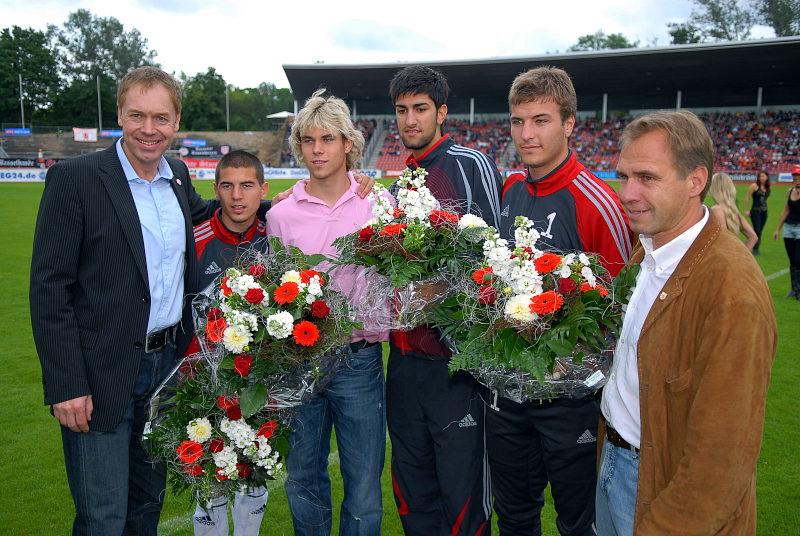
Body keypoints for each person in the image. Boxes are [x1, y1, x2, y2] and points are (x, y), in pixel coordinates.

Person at [30, 66, 224, 535]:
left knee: (145, 509)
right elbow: (49, 287)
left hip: (164, 373)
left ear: (176, 122)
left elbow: (219, 214)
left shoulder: (177, 175)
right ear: (120, 114)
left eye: (161, 117)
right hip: (98, 376)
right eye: (137, 115)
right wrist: (66, 383)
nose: (149, 129)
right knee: (102, 517)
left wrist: (299, 199)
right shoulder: (76, 178)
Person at [598, 110, 776, 535]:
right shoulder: (649, 248)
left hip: (663, 488)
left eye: (647, 177)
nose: (627, 193)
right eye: (624, 176)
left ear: (696, 181)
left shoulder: (732, 289)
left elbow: (723, 454)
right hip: (615, 463)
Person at [488, 66, 631, 536]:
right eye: (517, 121)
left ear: (569, 123)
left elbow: (624, 310)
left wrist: (570, 362)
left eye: (541, 120)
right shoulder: (511, 187)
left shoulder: (595, 202)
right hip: (508, 393)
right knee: (514, 517)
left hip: (572, 401)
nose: (526, 134)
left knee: (579, 522)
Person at [265, 89, 389, 536]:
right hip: (298, 361)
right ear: (299, 147)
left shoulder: (377, 204)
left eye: (328, 139)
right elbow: (274, 292)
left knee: (363, 486)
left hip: (359, 361)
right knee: (303, 479)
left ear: (348, 144)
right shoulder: (281, 214)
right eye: (309, 140)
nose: (318, 150)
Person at [386, 65, 502, 536]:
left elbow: (495, 256)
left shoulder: (467, 164)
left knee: (463, 498)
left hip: (456, 367)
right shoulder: (399, 185)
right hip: (403, 363)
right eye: (401, 110)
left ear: (442, 113)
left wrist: (437, 292)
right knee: (414, 495)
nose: (409, 120)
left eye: (420, 109)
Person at [189, 150, 270, 536]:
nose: (237, 196)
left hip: (262, 385)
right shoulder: (195, 239)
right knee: (208, 480)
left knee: (254, 473)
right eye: (227, 186)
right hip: (202, 383)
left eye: (247, 186)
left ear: (262, 190)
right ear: (215, 189)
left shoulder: (277, 238)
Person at [708, 172, 758, 251]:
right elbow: (753, 237)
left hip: (720, 261)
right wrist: (740, 257)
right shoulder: (733, 211)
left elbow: (723, 241)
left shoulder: (717, 210)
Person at [772, 164, 800, 299]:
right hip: (788, 229)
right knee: (792, 261)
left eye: (798, 176)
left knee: (798, 260)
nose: (796, 178)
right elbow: (786, 210)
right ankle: (793, 289)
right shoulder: (790, 191)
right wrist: (777, 228)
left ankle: (798, 289)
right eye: (794, 176)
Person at [744, 170, 771, 255]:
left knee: (760, 231)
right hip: (755, 211)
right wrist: (746, 210)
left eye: (763, 176)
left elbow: (765, 200)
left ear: (767, 177)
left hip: (764, 212)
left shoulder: (767, 188)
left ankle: (754, 246)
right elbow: (747, 198)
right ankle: (755, 249)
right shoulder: (754, 186)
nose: (761, 178)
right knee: (757, 230)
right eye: (760, 176)